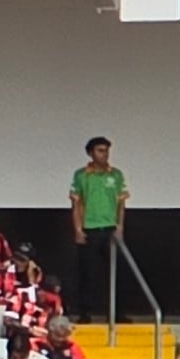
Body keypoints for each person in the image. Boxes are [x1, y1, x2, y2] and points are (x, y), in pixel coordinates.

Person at [69, 135, 128, 320]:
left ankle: (118, 313)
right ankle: (85, 313)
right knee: (88, 273)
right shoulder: (81, 175)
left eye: (107, 151)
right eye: (100, 151)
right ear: (90, 153)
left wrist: (120, 228)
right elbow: (76, 205)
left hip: (110, 228)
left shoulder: (116, 174)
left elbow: (121, 204)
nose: (105, 155)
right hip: (90, 228)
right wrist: (78, 229)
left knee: (117, 273)